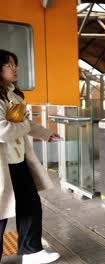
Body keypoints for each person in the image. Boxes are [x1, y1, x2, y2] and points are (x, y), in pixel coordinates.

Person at [0, 49, 61, 264]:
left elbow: (25, 124)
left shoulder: (14, 95)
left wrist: (46, 134)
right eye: (9, 65)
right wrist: (23, 125)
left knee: (30, 204)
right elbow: (3, 130)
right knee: (1, 211)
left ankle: (31, 251)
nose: (15, 68)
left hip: (18, 160)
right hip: (2, 165)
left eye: (15, 64)